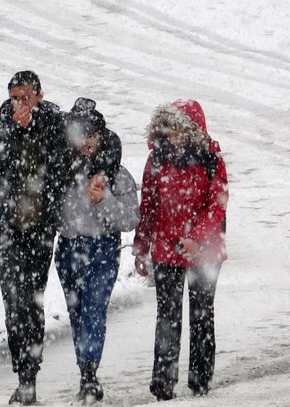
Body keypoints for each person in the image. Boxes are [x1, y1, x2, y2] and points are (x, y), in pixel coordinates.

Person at [0, 71, 67, 405]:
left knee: (32, 301)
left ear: (39, 96)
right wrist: (12, 128)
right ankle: (22, 371)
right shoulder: (3, 121)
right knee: (13, 304)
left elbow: (67, 168)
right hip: (6, 229)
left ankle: (30, 374)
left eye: (25, 97)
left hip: (40, 228)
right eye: (14, 97)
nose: (19, 103)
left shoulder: (55, 122)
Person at [132, 99, 228, 401]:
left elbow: (217, 204)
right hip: (165, 247)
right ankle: (162, 380)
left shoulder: (211, 158)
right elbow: (147, 204)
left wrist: (197, 238)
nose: (173, 134)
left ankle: (200, 378)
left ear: (192, 130)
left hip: (204, 250)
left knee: (202, 314)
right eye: (169, 128)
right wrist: (141, 246)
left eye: (179, 128)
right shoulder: (157, 158)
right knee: (167, 315)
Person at [54, 98, 139, 403]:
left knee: (94, 310)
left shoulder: (116, 173)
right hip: (67, 247)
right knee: (77, 312)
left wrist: (105, 200)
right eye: (80, 135)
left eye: (92, 135)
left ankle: (90, 373)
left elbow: (131, 218)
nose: (86, 142)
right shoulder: (61, 169)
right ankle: (84, 368)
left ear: (101, 136)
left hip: (104, 247)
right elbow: (51, 212)